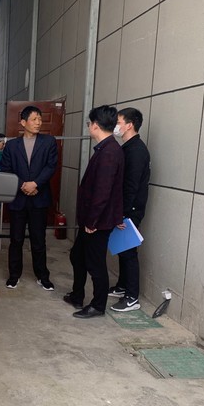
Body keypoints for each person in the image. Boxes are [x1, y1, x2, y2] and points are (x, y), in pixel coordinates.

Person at [64, 105, 124, 318]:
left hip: (98, 222)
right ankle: (77, 295)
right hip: (94, 220)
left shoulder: (109, 152)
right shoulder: (106, 148)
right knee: (77, 256)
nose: (89, 126)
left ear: (95, 125)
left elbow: (102, 192)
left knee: (95, 264)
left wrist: (92, 222)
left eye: (89, 123)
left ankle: (98, 305)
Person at [0, 106, 58, 290]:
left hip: (39, 198)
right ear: (23, 122)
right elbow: (6, 169)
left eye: (40, 119)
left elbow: (51, 166)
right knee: (16, 239)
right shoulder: (12, 145)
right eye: (34, 119)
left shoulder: (49, 142)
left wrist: (35, 184)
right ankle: (14, 275)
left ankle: (42, 276)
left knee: (39, 240)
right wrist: (23, 185)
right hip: (18, 198)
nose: (38, 123)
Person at [108, 108, 150, 312]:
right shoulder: (128, 147)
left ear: (130, 125)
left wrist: (122, 212)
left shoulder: (137, 151)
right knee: (123, 248)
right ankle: (123, 286)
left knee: (129, 251)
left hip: (130, 209)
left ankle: (132, 297)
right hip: (125, 207)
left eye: (118, 122)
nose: (115, 126)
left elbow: (131, 185)